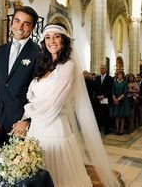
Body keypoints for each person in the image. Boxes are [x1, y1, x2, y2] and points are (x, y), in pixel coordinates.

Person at [10, 23, 119, 186]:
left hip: (55, 131)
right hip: (36, 131)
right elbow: (35, 101)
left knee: (58, 179)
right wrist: (23, 120)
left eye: (56, 36)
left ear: (64, 40)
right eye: (47, 37)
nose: (51, 41)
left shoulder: (68, 66)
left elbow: (53, 104)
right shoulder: (44, 66)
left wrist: (26, 121)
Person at [0, 6, 41, 147]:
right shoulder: (1, 50)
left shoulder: (37, 53)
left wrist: (27, 121)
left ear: (33, 27)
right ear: (12, 23)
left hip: (19, 123)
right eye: (17, 21)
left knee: (16, 166)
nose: (20, 27)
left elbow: (39, 93)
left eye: (26, 24)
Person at [95, 64, 114, 134]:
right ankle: (99, 128)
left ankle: (106, 129)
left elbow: (109, 89)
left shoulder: (110, 78)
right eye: (101, 68)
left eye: (103, 68)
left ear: (106, 69)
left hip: (106, 99)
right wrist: (97, 95)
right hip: (98, 99)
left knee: (106, 114)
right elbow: (96, 88)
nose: (101, 70)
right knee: (98, 114)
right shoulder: (97, 78)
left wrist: (103, 96)